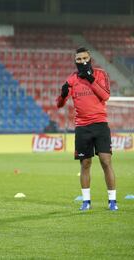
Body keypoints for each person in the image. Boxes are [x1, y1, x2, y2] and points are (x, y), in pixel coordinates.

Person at [57, 47, 118, 211]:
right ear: (75, 61)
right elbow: (59, 104)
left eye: (85, 58)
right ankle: (86, 202)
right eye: (79, 59)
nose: (82, 61)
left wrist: (90, 79)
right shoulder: (72, 79)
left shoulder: (100, 74)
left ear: (90, 59)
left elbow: (105, 96)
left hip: (100, 124)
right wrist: (62, 95)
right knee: (85, 163)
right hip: (82, 127)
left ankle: (112, 201)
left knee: (106, 161)